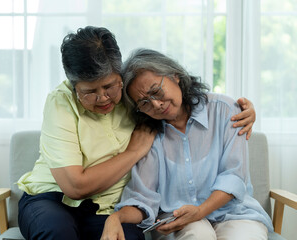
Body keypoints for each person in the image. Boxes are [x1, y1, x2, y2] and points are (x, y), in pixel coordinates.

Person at [16, 26, 256, 240]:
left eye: (109, 86)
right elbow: (75, 187)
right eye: (89, 92)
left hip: (108, 206)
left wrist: (246, 110)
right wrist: (134, 152)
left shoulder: (135, 97)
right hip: (52, 198)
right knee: (57, 232)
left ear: (119, 75)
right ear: (74, 86)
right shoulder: (66, 102)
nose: (102, 98)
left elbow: (179, 98)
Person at [101, 49, 273, 240]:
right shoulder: (147, 134)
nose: (156, 105)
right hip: (178, 219)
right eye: (144, 103)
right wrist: (115, 218)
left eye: (156, 92)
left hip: (236, 213)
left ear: (175, 76)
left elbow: (233, 176)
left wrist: (200, 211)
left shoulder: (226, 111)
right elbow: (143, 198)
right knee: (197, 235)